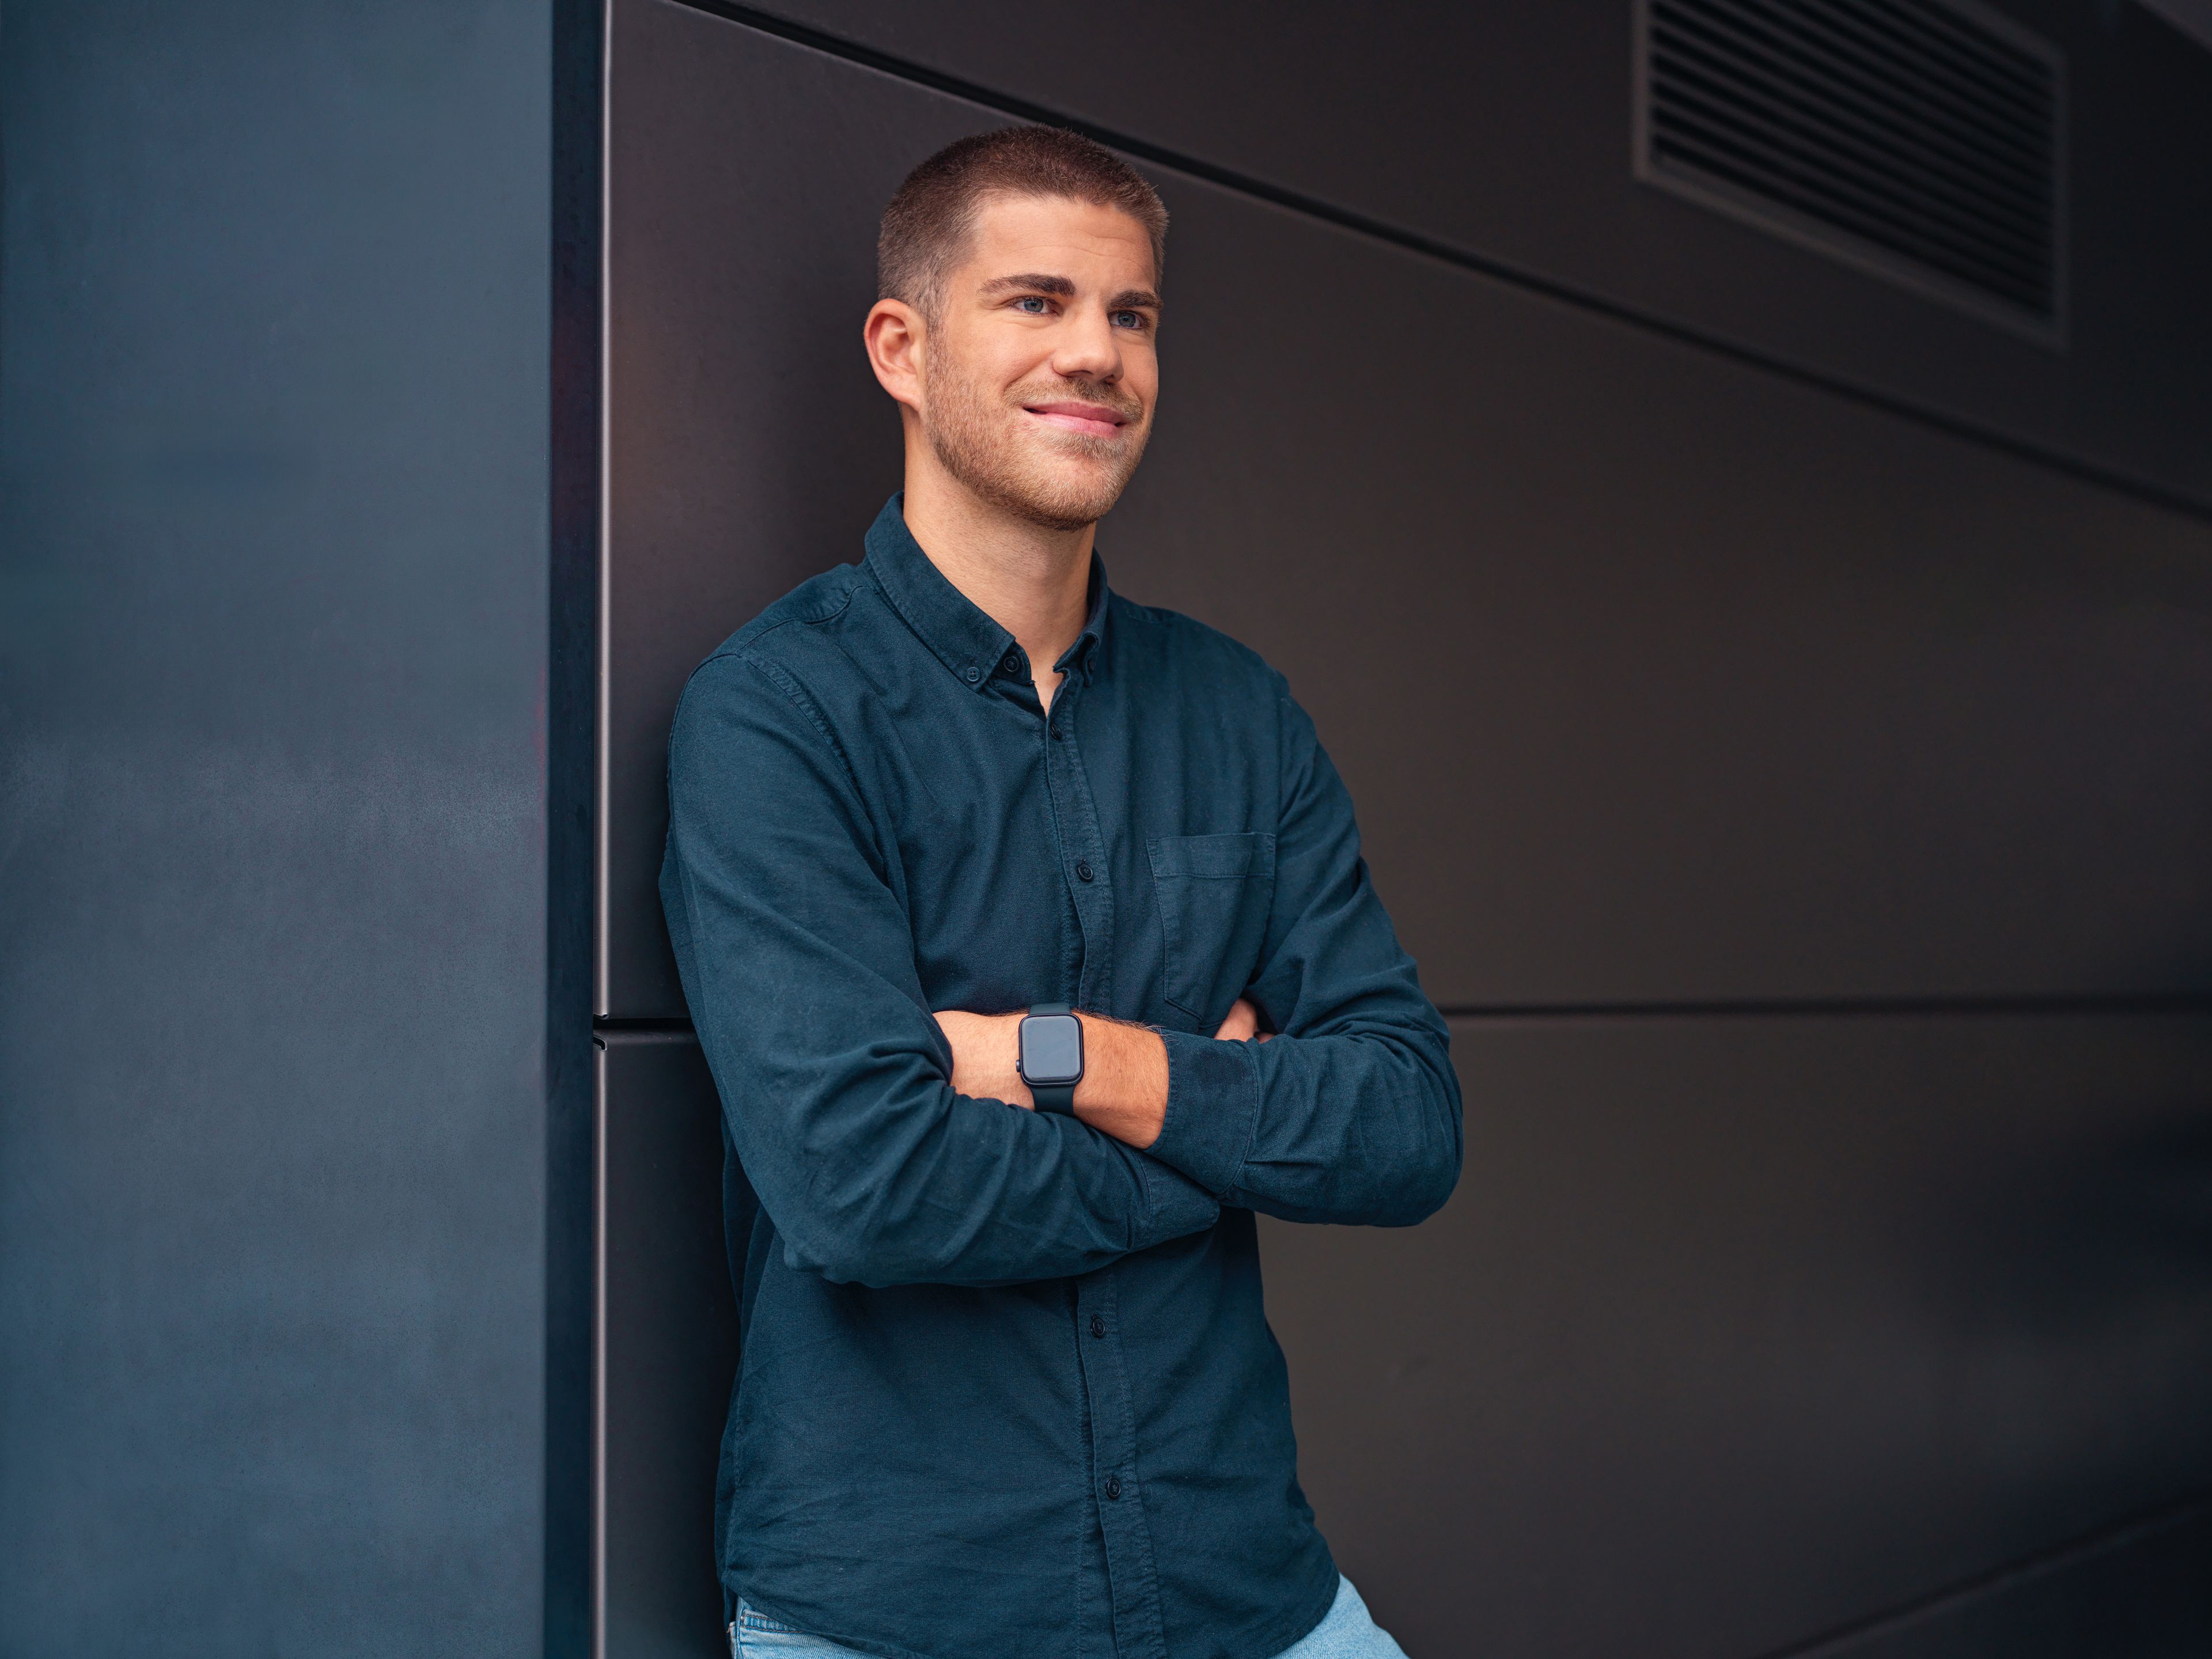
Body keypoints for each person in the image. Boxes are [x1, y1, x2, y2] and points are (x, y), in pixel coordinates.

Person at [661, 126, 1461, 1659]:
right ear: (902, 346)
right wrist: (1225, 1120)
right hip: (906, 1615)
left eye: (1133, 313)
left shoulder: (1239, 714)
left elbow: (1408, 1124)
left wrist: (1065, 1061)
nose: (1097, 353)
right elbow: (865, 1182)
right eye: (1036, 302)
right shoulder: (775, 717)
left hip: (1251, 1595)